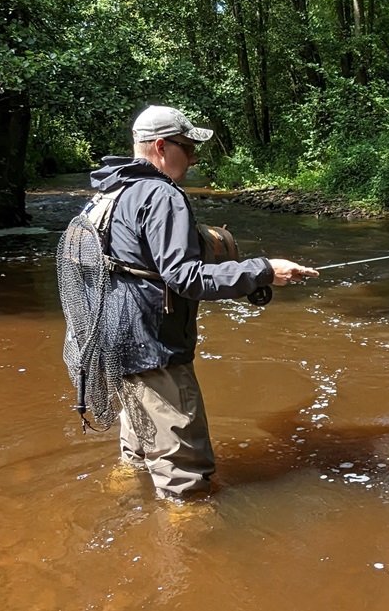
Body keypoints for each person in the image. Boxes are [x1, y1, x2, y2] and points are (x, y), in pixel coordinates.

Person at [88, 104, 317, 500]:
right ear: (161, 146)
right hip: (153, 344)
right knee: (185, 470)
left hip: (111, 337)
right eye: (187, 147)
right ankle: (191, 545)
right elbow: (185, 277)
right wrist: (263, 271)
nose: (193, 158)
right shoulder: (163, 195)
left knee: (138, 448)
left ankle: (125, 507)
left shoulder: (114, 187)